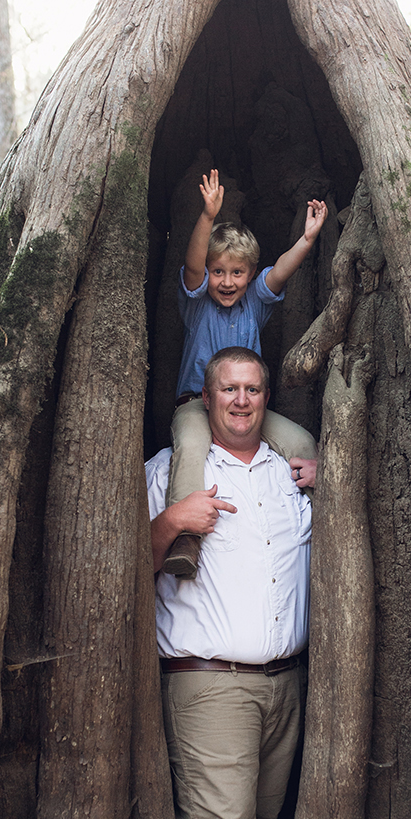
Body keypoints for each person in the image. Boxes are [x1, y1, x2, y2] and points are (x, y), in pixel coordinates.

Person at [147, 346, 317, 819]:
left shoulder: (293, 475)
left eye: (252, 389)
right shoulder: (172, 471)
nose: (241, 401)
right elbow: (112, 558)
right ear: (207, 398)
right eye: (229, 389)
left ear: (266, 396)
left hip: (288, 681)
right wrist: (170, 523)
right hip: (209, 682)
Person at [163, 168, 326, 579]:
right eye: (219, 271)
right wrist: (207, 216)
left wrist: (306, 240)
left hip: (245, 407)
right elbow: (194, 265)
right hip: (198, 406)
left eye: (237, 272)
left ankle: (320, 516)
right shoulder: (198, 302)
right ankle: (185, 538)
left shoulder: (255, 301)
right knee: (190, 446)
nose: (227, 281)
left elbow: (281, 271)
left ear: (250, 274)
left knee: (302, 441)